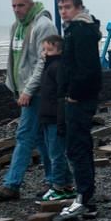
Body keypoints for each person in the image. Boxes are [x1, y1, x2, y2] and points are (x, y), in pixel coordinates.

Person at [0, 0, 57, 201]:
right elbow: (15, 58)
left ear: (31, 3)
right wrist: (13, 85)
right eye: (13, 6)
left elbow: (43, 61)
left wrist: (28, 90)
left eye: (21, 5)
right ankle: (54, 179)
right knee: (40, 138)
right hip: (23, 91)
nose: (17, 10)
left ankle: (12, 185)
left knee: (24, 135)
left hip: (38, 92)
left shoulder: (43, 26)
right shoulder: (16, 27)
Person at [53, 0, 103, 221]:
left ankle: (84, 199)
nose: (63, 11)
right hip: (77, 97)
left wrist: (73, 94)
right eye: (61, 7)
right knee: (78, 146)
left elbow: (88, 68)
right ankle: (86, 197)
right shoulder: (76, 29)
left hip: (80, 99)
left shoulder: (81, 30)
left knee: (77, 148)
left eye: (67, 7)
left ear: (79, 7)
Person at [38, 34, 75, 201]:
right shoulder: (49, 67)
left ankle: (58, 186)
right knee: (55, 152)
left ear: (59, 50)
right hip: (47, 116)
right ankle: (67, 185)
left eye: (49, 49)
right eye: (44, 49)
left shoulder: (58, 67)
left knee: (56, 154)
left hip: (55, 118)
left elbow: (61, 96)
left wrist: (62, 120)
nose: (45, 53)